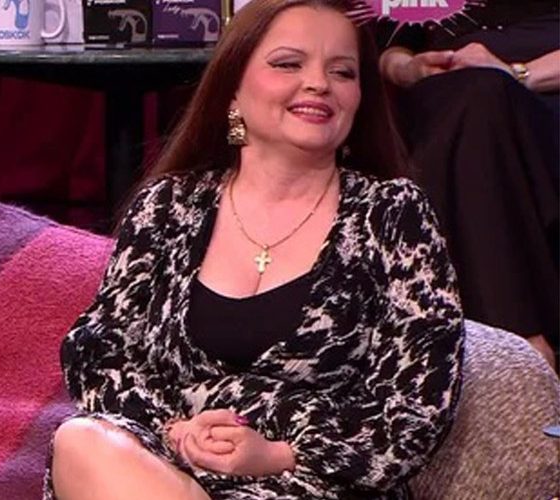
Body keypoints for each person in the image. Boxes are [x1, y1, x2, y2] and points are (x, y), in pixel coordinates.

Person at [46, 0, 464, 498]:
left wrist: (279, 454)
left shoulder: (394, 214)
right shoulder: (169, 206)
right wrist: (177, 431)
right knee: (81, 441)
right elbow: (100, 351)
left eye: (342, 72)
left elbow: (418, 405)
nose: (319, 83)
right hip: (168, 462)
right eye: (288, 64)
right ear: (232, 88)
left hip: (315, 482)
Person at [375, 1, 559, 370]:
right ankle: (516, 349)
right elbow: (387, 50)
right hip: (448, 102)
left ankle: (510, 343)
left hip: (541, 99)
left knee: (481, 100)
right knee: (465, 113)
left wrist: (518, 73)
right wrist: (409, 69)